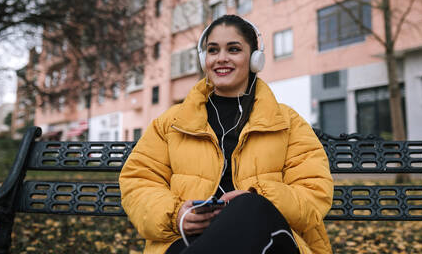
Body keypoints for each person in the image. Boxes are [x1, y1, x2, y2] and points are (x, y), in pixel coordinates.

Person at [119, 15, 334, 254]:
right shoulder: (171, 123)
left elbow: (314, 194)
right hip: (188, 240)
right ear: (204, 59)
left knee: (250, 207)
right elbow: (138, 182)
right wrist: (176, 215)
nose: (221, 58)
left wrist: (256, 198)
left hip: (268, 240)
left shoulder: (288, 123)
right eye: (213, 50)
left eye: (233, 49)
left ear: (255, 59)